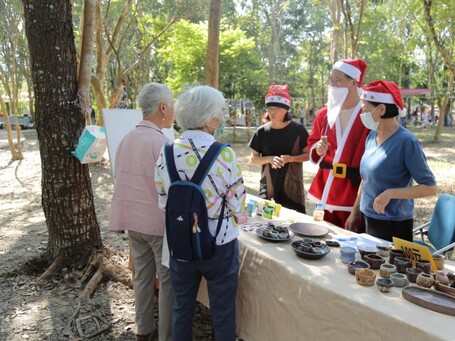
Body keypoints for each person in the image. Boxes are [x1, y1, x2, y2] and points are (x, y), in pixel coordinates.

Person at [155, 85, 246, 341]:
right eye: (221, 111)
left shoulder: (166, 151)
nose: (224, 115)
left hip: (180, 242)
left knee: (182, 307)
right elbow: (238, 207)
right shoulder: (224, 153)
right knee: (223, 311)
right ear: (208, 118)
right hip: (219, 244)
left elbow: (163, 201)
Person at [109, 82, 175, 341]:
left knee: (143, 278)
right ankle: (167, 335)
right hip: (158, 225)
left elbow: (120, 176)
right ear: (162, 107)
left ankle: (143, 330)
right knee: (168, 282)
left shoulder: (126, 139)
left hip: (133, 222)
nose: (173, 111)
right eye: (172, 105)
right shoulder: (163, 143)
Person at [351, 80, 437, 242]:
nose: (362, 115)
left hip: (392, 225)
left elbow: (430, 188)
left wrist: (390, 194)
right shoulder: (371, 136)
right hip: (367, 218)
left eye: (364, 110)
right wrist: (354, 212)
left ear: (381, 109)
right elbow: (366, 179)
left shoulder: (407, 142)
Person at [307, 58, 369, 230]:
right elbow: (312, 142)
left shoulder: (367, 114)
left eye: (338, 81)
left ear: (353, 83)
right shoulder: (324, 114)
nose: (333, 85)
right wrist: (318, 149)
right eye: (331, 81)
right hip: (325, 189)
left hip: (353, 192)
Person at [249, 84, 309, 213]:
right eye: (270, 108)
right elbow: (253, 159)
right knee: (266, 222)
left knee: (294, 223)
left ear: (286, 109)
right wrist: (270, 159)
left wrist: (291, 159)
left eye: (276, 108)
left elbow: (308, 155)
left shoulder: (298, 130)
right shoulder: (261, 131)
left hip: (292, 186)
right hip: (268, 185)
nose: (272, 112)